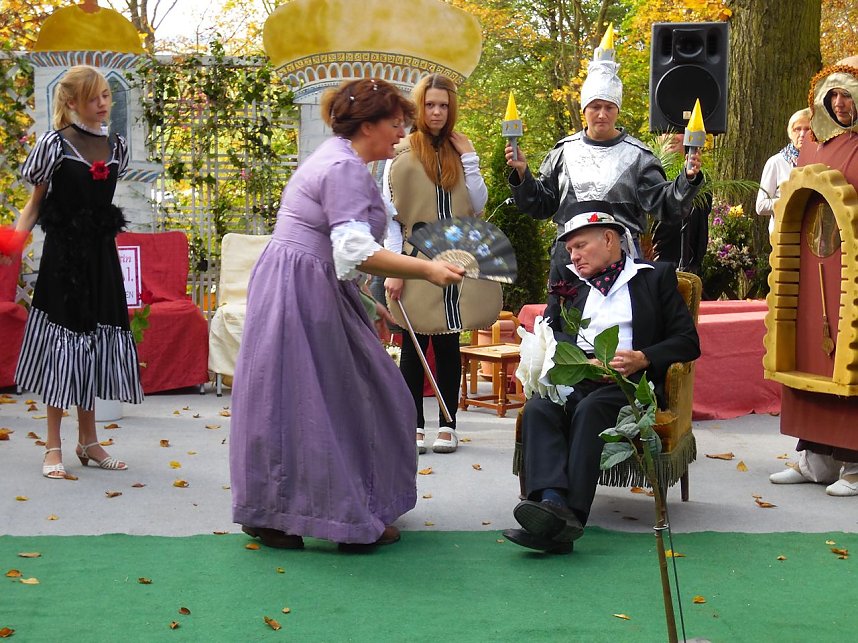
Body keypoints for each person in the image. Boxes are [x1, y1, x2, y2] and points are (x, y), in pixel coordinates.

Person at [229, 78, 465, 551]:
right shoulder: (344, 168)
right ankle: (347, 518)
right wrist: (429, 269)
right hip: (302, 289)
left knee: (291, 397)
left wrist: (364, 299)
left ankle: (276, 512)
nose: (401, 134)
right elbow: (353, 249)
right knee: (352, 395)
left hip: (300, 282)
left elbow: (334, 250)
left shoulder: (336, 158)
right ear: (368, 125)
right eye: (395, 124)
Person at [503, 201, 700, 554]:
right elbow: (555, 332)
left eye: (581, 246)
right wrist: (578, 361)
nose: (574, 256)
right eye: (569, 250)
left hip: (628, 383)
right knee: (539, 410)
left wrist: (642, 358)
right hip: (577, 376)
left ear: (609, 239)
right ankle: (549, 504)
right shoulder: (566, 281)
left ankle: (571, 517)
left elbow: (687, 341)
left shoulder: (654, 277)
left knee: (592, 409)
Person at [0, 65, 142, 479]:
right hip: (64, 260)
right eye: (95, 97)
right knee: (65, 348)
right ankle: (52, 445)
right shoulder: (54, 145)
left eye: (106, 96)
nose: (103, 104)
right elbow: (35, 203)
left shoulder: (117, 145)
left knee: (92, 345)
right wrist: (13, 243)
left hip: (101, 259)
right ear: (73, 101)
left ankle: (89, 441)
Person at [506, 36, 703, 311]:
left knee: (618, 333)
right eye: (595, 107)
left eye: (608, 107)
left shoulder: (638, 157)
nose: (601, 114)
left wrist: (688, 179)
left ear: (617, 110)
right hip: (568, 261)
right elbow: (541, 204)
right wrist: (522, 175)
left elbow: (664, 204)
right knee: (566, 336)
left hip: (620, 262)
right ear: (584, 109)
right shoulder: (563, 153)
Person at [382, 73, 488, 455]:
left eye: (444, 104)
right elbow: (391, 217)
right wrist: (394, 267)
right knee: (414, 344)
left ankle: (448, 424)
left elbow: (477, 204)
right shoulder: (401, 153)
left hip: (456, 256)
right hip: (413, 258)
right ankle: (413, 425)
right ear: (419, 106)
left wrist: (471, 158)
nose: (438, 111)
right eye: (430, 104)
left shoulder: (461, 150)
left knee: (447, 344)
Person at [769, 56, 858, 496]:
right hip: (810, 263)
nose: (840, 103)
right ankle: (816, 459)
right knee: (807, 352)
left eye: (847, 95)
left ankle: (855, 467)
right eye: (833, 95)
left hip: (853, 270)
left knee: (850, 358)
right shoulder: (813, 143)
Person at [651, 132, 712, 273]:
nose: (670, 136)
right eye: (665, 131)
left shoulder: (702, 178)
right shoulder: (647, 173)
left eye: (677, 131)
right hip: (652, 259)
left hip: (686, 261)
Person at [755, 108, 813, 235]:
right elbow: (760, 206)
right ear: (790, 133)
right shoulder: (776, 162)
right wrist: (790, 201)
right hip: (784, 236)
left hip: (814, 235)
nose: (802, 134)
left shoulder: (820, 160)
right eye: (797, 129)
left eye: (807, 129)